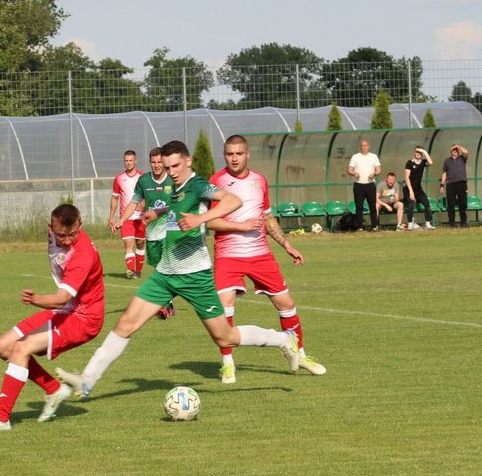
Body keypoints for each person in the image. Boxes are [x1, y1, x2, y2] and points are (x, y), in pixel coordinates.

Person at [55, 140, 300, 401]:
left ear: (188, 161)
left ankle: (283, 339)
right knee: (126, 323)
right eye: (168, 166)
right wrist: (157, 213)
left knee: (225, 337)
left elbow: (233, 200)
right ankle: (86, 381)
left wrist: (200, 219)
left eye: (175, 165)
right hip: (165, 274)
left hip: (195, 276)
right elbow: (176, 206)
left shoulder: (198, 185)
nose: (171, 171)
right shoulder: (176, 185)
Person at [0, 204, 105, 432]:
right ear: (50, 228)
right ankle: (54, 389)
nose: (66, 240)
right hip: (67, 310)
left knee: (21, 348)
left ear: (80, 226)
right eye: (60, 235)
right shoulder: (52, 234)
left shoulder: (82, 254)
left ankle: (1, 419)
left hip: (84, 317)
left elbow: (61, 298)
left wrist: (35, 299)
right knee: (3, 346)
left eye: (72, 234)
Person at [207, 135, 325, 385]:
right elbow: (210, 221)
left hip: (260, 254)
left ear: (248, 154)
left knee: (286, 303)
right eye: (229, 154)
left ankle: (300, 354)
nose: (234, 158)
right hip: (228, 254)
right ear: (224, 155)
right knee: (224, 305)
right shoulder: (216, 183)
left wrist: (286, 244)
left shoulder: (259, 180)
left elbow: (268, 217)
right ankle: (227, 365)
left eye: (239, 153)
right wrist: (241, 226)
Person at [119, 147, 175, 320]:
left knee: (166, 268)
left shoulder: (173, 180)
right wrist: (121, 220)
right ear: (149, 162)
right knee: (159, 269)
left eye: (160, 162)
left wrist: (159, 212)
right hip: (152, 233)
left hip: (170, 231)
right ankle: (168, 303)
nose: (157, 165)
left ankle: (164, 304)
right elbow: (133, 203)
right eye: (153, 162)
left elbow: (179, 204)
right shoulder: (144, 181)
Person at [108, 150, 145, 278]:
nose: (128, 163)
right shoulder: (119, 179)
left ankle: (138, 271)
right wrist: (111, 217)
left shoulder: (143, 177)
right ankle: (130, 270)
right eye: (126, 161)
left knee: (140, 243)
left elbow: (149, 194)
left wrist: (144, 202)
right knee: (129, 243)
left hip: (141, 217)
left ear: (135, 161)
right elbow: (114, 198)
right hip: (126, 218)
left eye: (131, 160)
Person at [347, 139, 381, 231]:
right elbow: (349, 170)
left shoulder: (373, 156)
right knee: (359, 206)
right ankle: (360, 227)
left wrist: (374, 174)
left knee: (372, 206)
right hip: (358, 185)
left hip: (370, 184)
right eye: (362, 145)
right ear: (360, 147)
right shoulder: (355, 157)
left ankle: (374, 226)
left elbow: (378, 170)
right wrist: (354, 173)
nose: (364, 147)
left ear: (368, 146)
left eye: (366, 145)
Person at [402, 146, 435, 230]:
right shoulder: (409, 163)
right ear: (414, 152)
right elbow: (406, 177)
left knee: (427, 204)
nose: (418, 154)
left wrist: (424, 152)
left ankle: (428, 224)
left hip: (418, 189)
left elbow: (431, 163)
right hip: (408, 188)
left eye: (420, 152)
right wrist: (411, 191)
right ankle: (410, 223)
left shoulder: (423, 162)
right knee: (411, 203)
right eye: (417, 152)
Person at [440, 144, 470, 227]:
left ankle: (463, 223)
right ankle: (452, 224)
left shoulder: (462, 158)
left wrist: (458, 146)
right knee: (451, 205)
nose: (455, 151)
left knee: (463, 204)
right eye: (453, 150)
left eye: (456, 150)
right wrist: (442, 185)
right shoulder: (447, 161)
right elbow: (444, 173)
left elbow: (466, 152)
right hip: (450, 184)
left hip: (461, 183)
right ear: (451, 151)